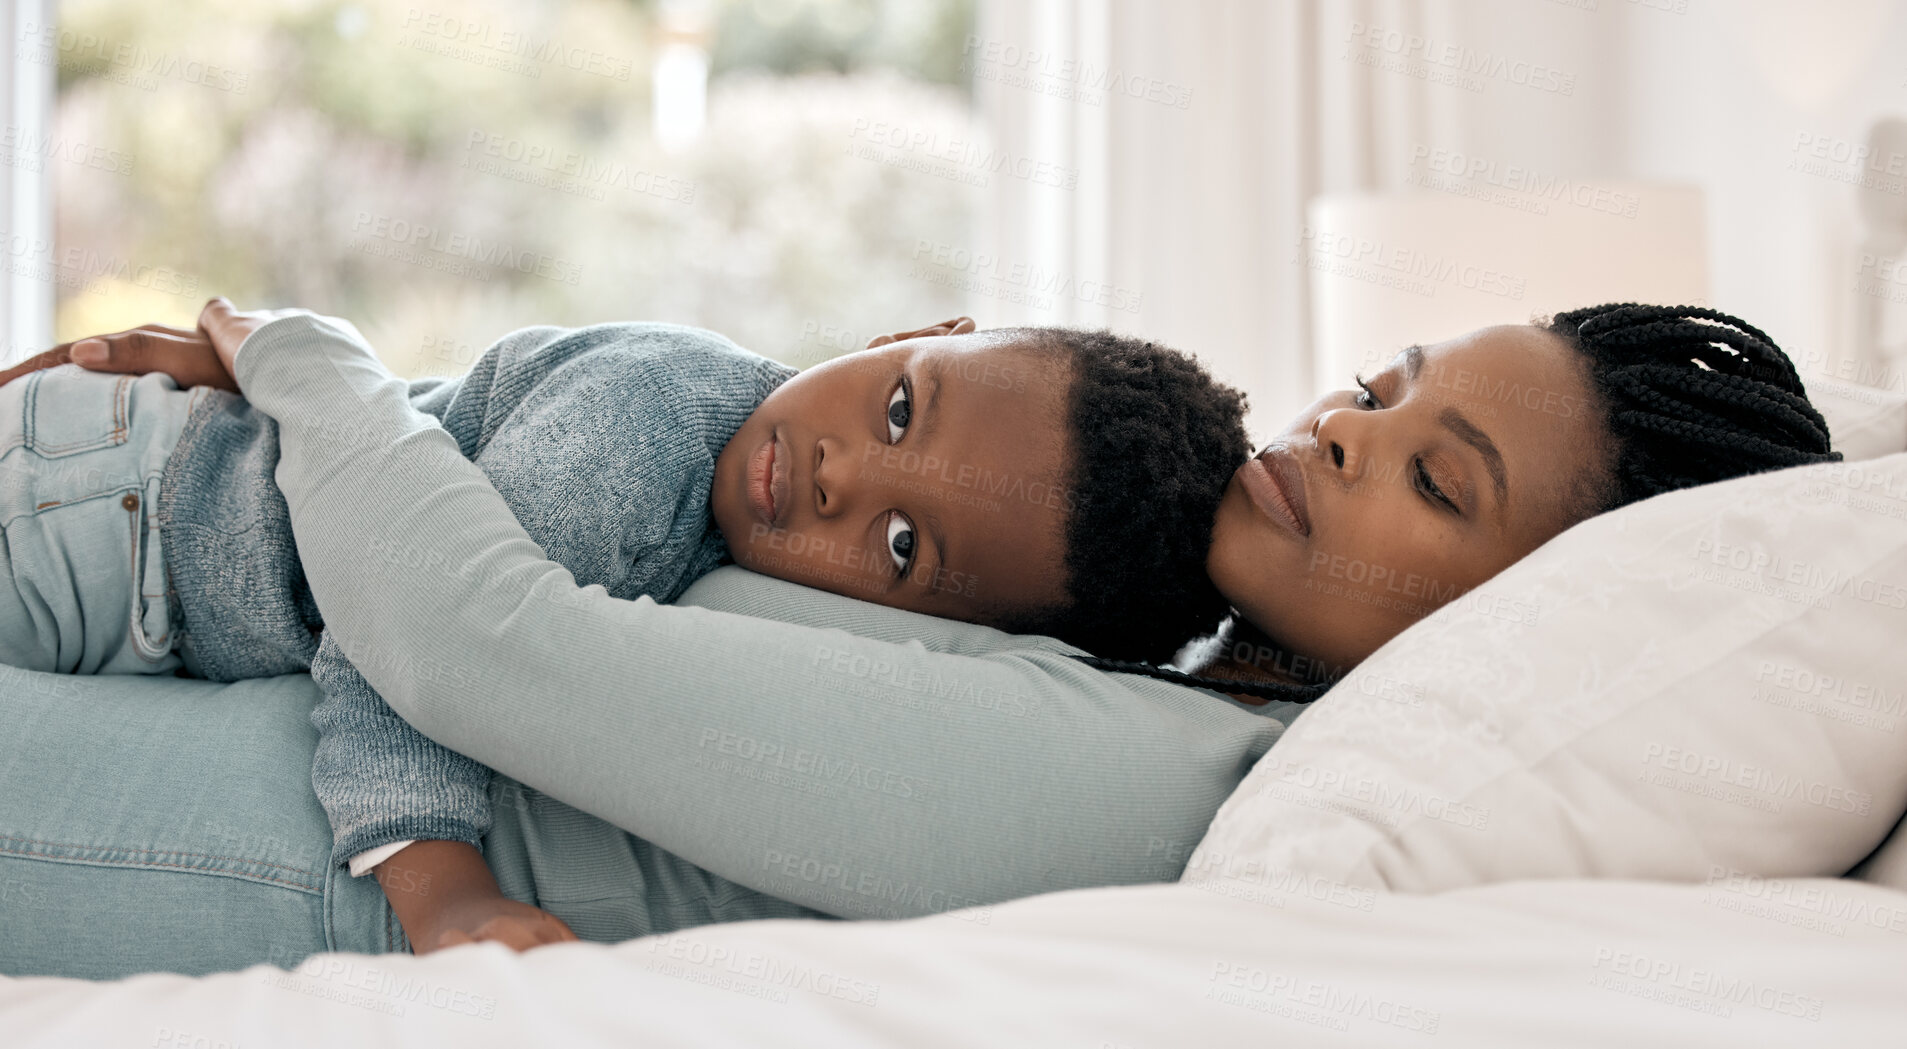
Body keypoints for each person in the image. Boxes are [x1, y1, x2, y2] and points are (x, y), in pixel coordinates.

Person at [0, 300, 1836, 980]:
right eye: (1376, 384)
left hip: (273, 836)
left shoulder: (1162, 779)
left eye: (1432, 478)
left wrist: (296, 348)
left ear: (1519, 614)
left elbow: (486, 645)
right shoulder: (1160, 644)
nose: (1340, 431)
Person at [0, 306, 1253, 956]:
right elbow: (418, 620)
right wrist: (437, 883)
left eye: (901, 546)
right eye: (897, 405)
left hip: (152, 573)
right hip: (116, 509)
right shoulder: (651, 418)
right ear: (903, 331)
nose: (836, 477)